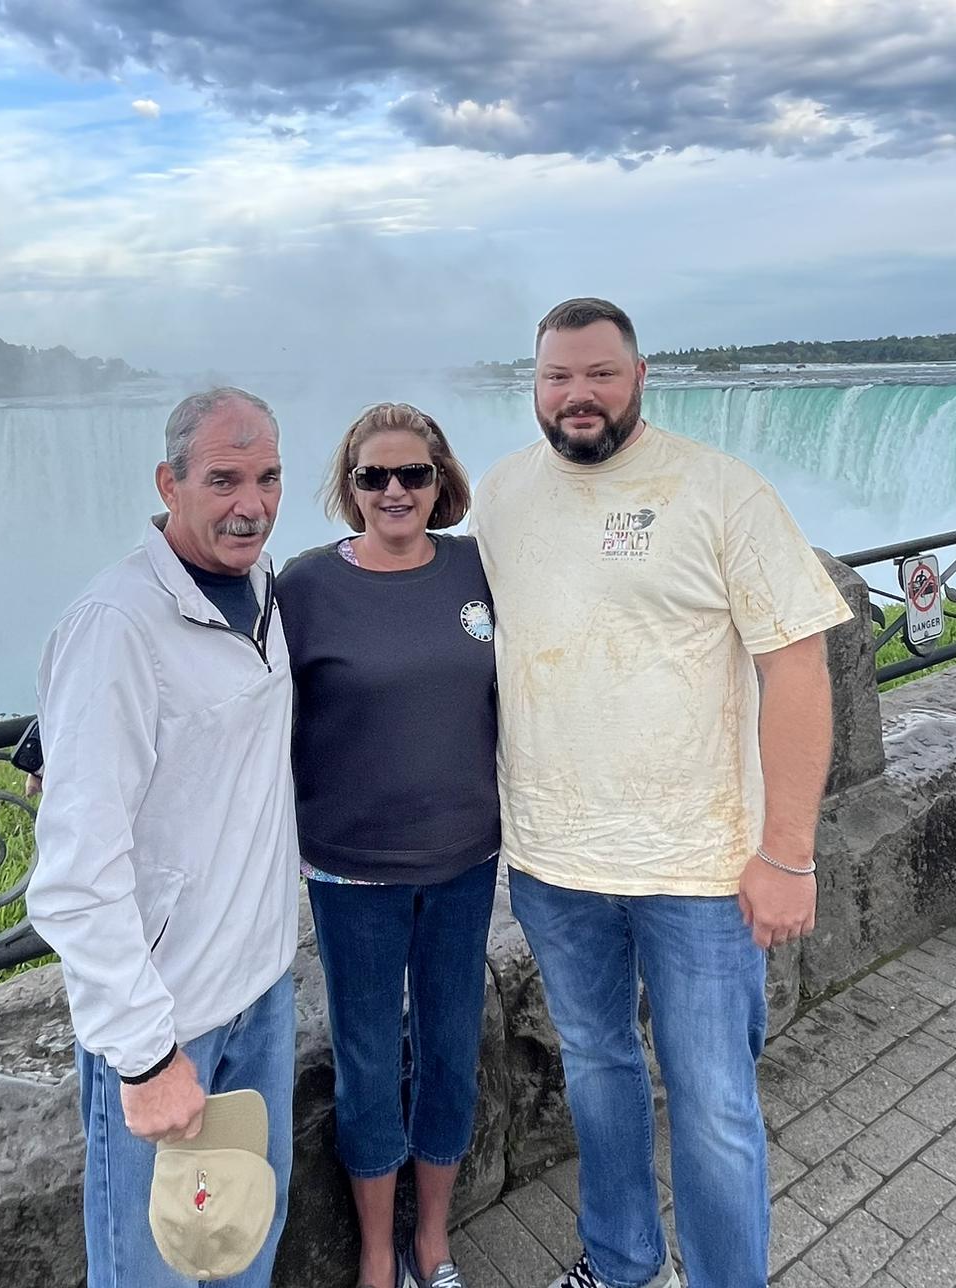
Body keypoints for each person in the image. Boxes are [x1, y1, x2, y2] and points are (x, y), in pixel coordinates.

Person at [471, 299, 852, 1288]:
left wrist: (786, 850)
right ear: (536, 384)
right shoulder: (505, 495)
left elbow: (798, 668)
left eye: (600, 373)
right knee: (597, 1073)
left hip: (701, 866)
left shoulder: (717, 490)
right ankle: (622, 1262)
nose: (578, 394)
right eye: (559, 376)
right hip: (554, 861)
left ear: (639, 375)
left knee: (714, 1100)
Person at [26, 387, 299, 1288]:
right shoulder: (118, 626)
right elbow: (75, 879)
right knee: (154, 1272)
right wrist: (145, 1058)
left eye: (267, 479)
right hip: (170, 1022)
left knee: (241, 1247)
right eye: (223, 479)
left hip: (260, 991)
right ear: (168, 483)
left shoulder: (260, 592)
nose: (250, 504)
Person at [277, 403, 500, 1288]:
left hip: (465, 862)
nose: (396, 490)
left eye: (414, 474)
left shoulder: (480, 568)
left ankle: (431, 1241)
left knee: (451, 1052)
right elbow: (219, 677)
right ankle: (376, 1255)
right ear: (350, 488)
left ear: (441, 481)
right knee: (368, 1066)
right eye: (376, 476)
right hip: (351, 870)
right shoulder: (304, 585)